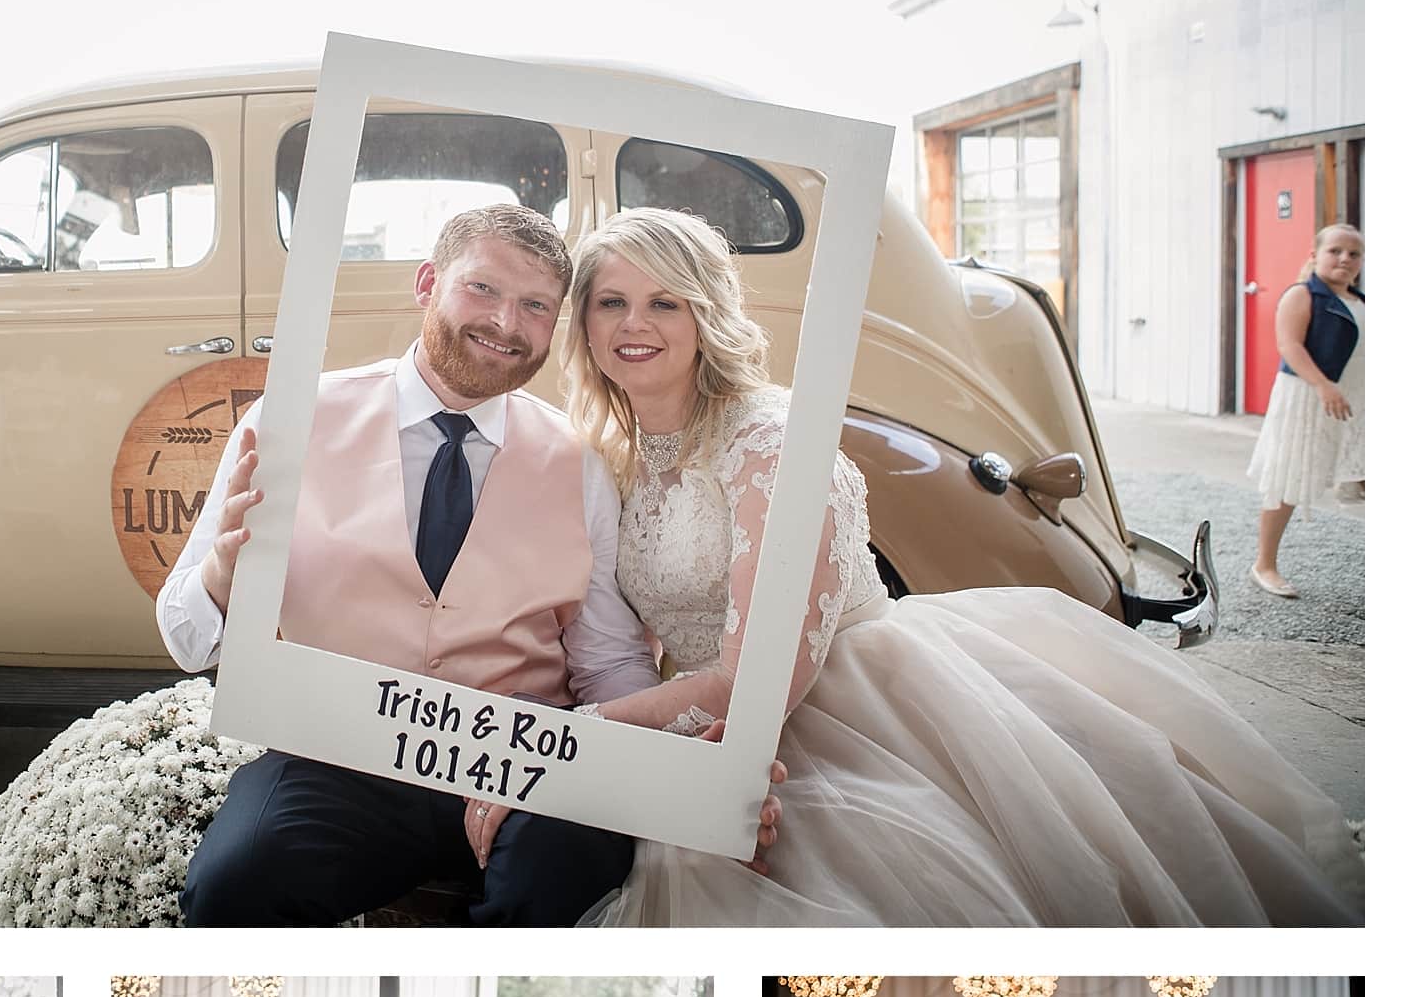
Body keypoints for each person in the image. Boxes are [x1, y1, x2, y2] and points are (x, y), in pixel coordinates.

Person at [557, 206, 1361, 926]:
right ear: (586, 323)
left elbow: (754, 681)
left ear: (706, 314)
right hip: (716, 716)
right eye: (613, 301)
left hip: (842, 704)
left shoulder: (772, 442)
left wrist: (567, 744)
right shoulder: (619, 453)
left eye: (666, 301)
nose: (638, 323)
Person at [157, 202, 781, 927]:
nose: (506, 324)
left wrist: (655, 770)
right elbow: (183, 635)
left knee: (561, 878)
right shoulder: (288, 418)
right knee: (235, 885)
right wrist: (219, 583)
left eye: (536, 306)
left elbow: (609, 663)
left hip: (525, 763)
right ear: (428, 283)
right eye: (482, 290)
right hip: (336, 761)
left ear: (558, 327)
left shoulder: (578, 462)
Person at [1248, 224, 1364, 597]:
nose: (1344, 258)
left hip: (1356, 400)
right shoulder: (1303, 295)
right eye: (1335, 251)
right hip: (1308, 397)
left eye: (1354, 253)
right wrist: (1322, 385)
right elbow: (1289, 346)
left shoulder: (1362, 301)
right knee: (1289, 479)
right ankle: (1264, 565)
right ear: (1315, 255)